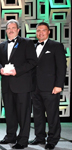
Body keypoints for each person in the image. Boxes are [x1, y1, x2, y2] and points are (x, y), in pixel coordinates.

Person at [0, 19, 37, 149]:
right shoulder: (1, 46)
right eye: (9, 28)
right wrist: (0, 68)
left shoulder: (27, 43)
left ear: (18, 30)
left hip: (22, 85)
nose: (11, 30)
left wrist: (16, 71)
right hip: (7, 85)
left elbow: (32, 62)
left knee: (23, 114)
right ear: (6, 30)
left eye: (13, 28)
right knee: (9, 112)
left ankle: (23, 140)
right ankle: (10, 136)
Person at [29, 22, 66, 150]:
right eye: (38, 30)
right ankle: (39, 137)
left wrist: (59, 85)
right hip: (35, 87)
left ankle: (53, 139)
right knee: (38, 115)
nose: (40, 33)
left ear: (48, 32)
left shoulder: (56, 46)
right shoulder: (32, 47)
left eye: (43, 30)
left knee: (52, 115)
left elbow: (62, 67)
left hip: (51, 87)